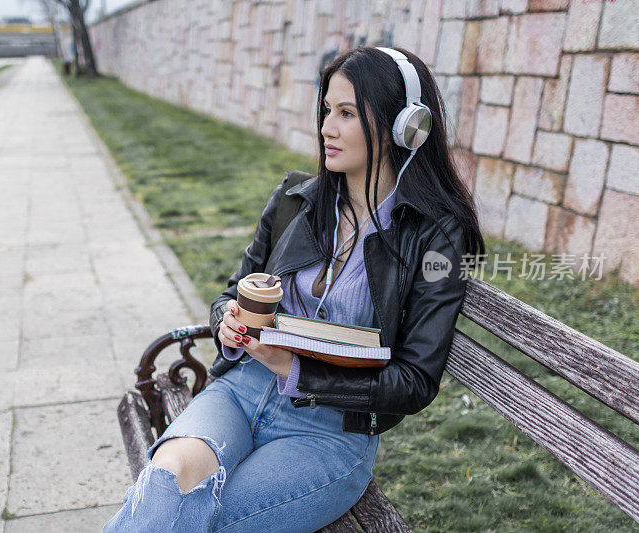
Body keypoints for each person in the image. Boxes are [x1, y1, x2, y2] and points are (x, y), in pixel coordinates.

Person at [103, 45, 485, 532]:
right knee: (164, 486)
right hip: (239, 392)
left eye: (347, 113)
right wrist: (230, 324)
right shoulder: (295, 201)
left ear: (402, 126)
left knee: (202, 518)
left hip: (327, 432)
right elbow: (229, 295)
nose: (327, 127)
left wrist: (295, 369)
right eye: (327, 110)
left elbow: (413, 382)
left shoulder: (432, 235)